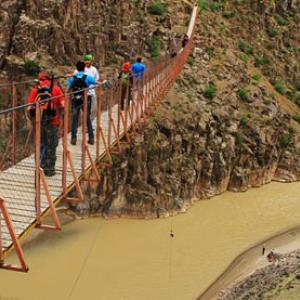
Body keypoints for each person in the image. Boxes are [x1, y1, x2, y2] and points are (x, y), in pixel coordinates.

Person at [27, 73, 64, 177]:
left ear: (39, 80)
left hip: (40, 123)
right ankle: (49, 170)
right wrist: (61, 113)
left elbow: (29, 108)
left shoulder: (35, 90)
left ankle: (39, 167)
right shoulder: (56, 89)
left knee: (41, 144)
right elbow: (63, 104)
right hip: (53, 122)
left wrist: (33, 120)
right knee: (52, 145)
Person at [68, 61, 97, 145]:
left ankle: (74, 138)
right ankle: (91, 138)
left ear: (76, 68)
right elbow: (96, 83)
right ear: (84, 68)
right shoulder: (87, 77)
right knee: (87, 118)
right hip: (85, 100)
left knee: (74, 119)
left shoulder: (72, 78)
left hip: (75, 101)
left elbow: (68, 89)